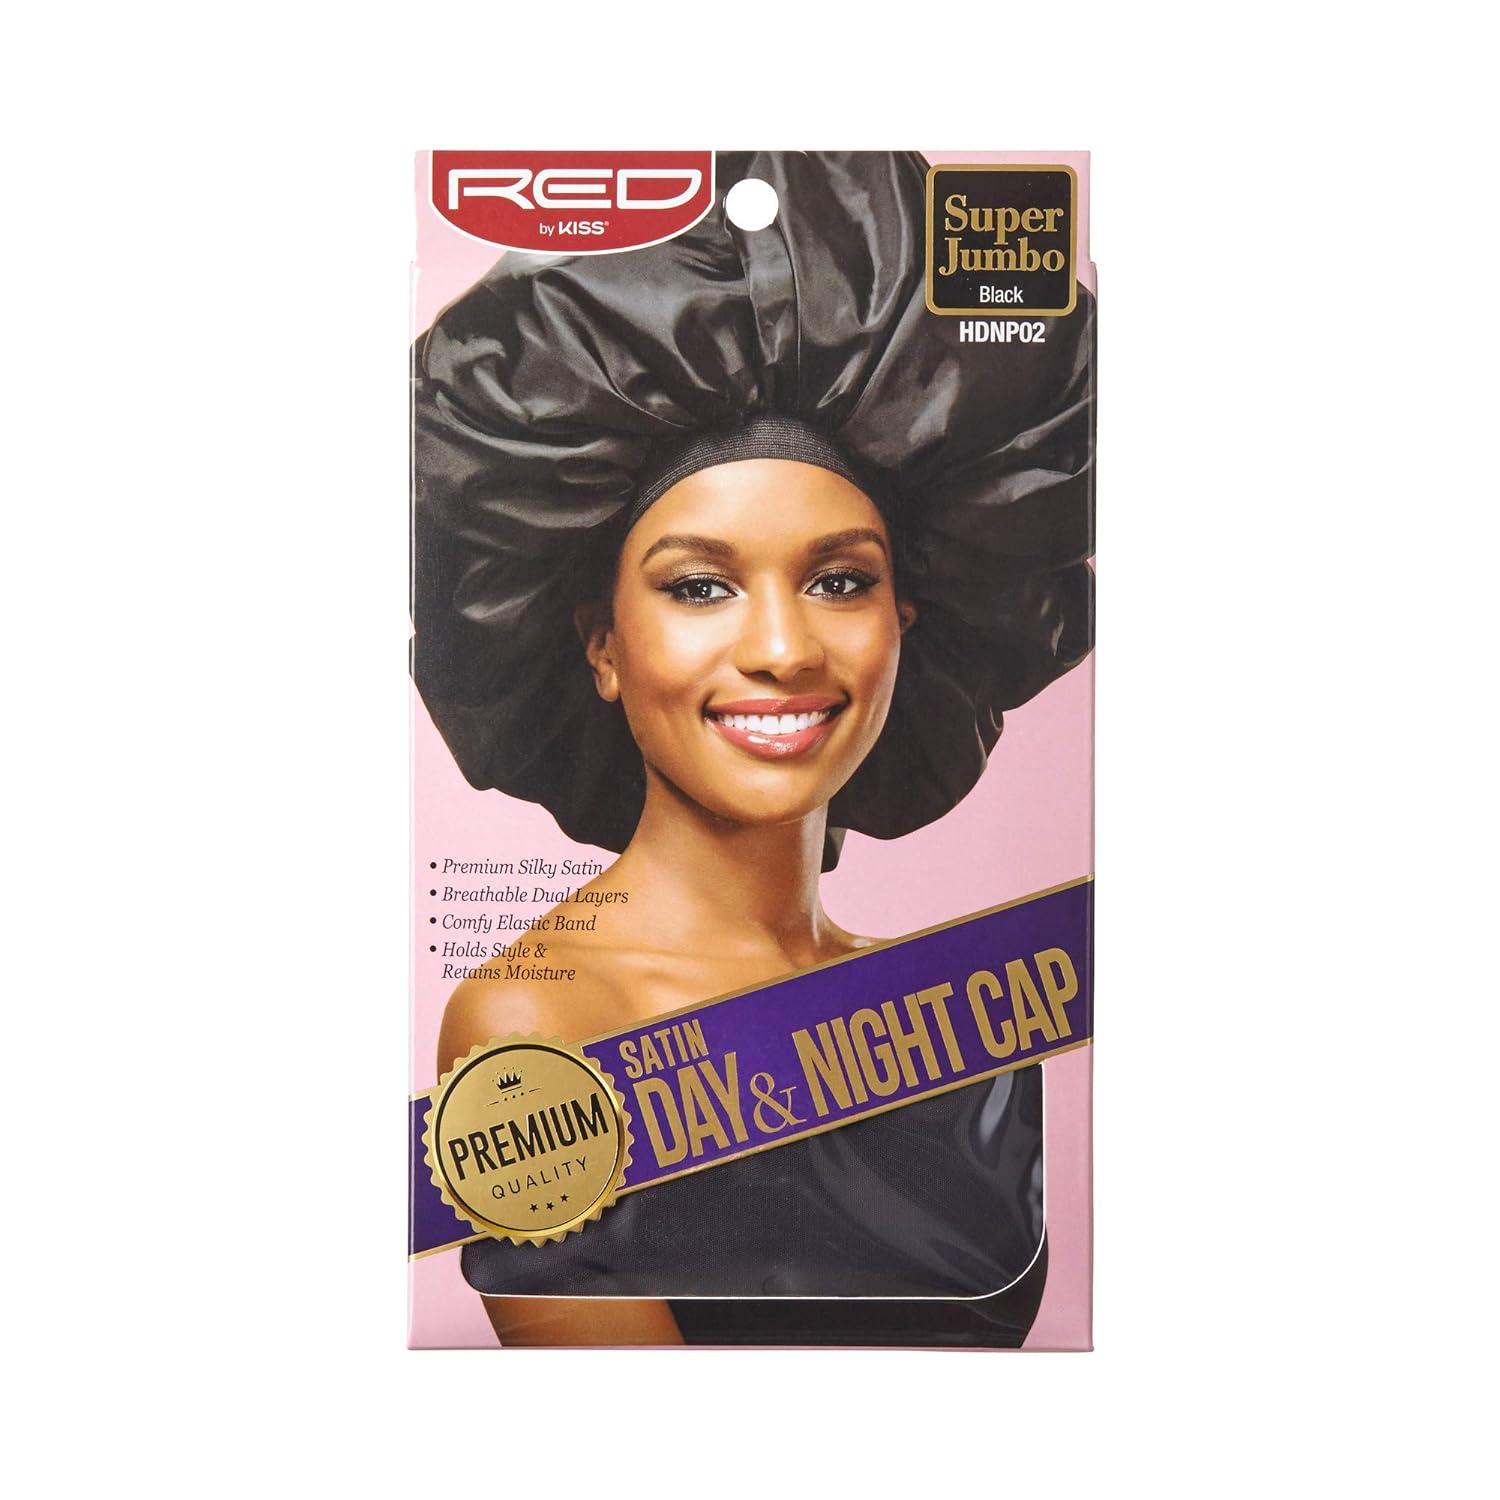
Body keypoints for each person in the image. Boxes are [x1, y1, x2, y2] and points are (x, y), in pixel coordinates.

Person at [414, 152, 1094, 1346]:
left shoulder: (954, 1016)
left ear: (907, 621)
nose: (783, 649)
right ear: (601, 645)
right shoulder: (538, 1025)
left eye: (840, 581)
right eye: (699, 586)